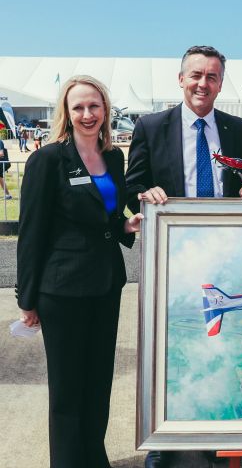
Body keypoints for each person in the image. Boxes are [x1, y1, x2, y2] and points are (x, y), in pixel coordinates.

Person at [126, 45, 242, 468]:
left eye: (213, 77)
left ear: (222, 83)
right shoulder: (151, 126)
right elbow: (134, 182)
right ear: (181, 79)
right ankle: (163, 448)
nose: (204, 84)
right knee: (169, 351)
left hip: (224, 258)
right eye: (196, 76)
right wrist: (144, 194)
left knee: (222, 349)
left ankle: (219, 445)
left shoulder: (237, 129)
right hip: (173, 261)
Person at [16, 75, 143, 468]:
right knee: (68, 392)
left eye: (95, 106)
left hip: (106, 285)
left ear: (105, 110)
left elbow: (107, 216)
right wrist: (27, 299)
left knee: (98, 384)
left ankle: (94, 458)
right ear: (67, 114)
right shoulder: (49, 159)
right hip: (62, 289)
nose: (88, 115)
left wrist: (126, 226)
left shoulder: (114, 157)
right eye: (79, 108)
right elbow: (31, 231)